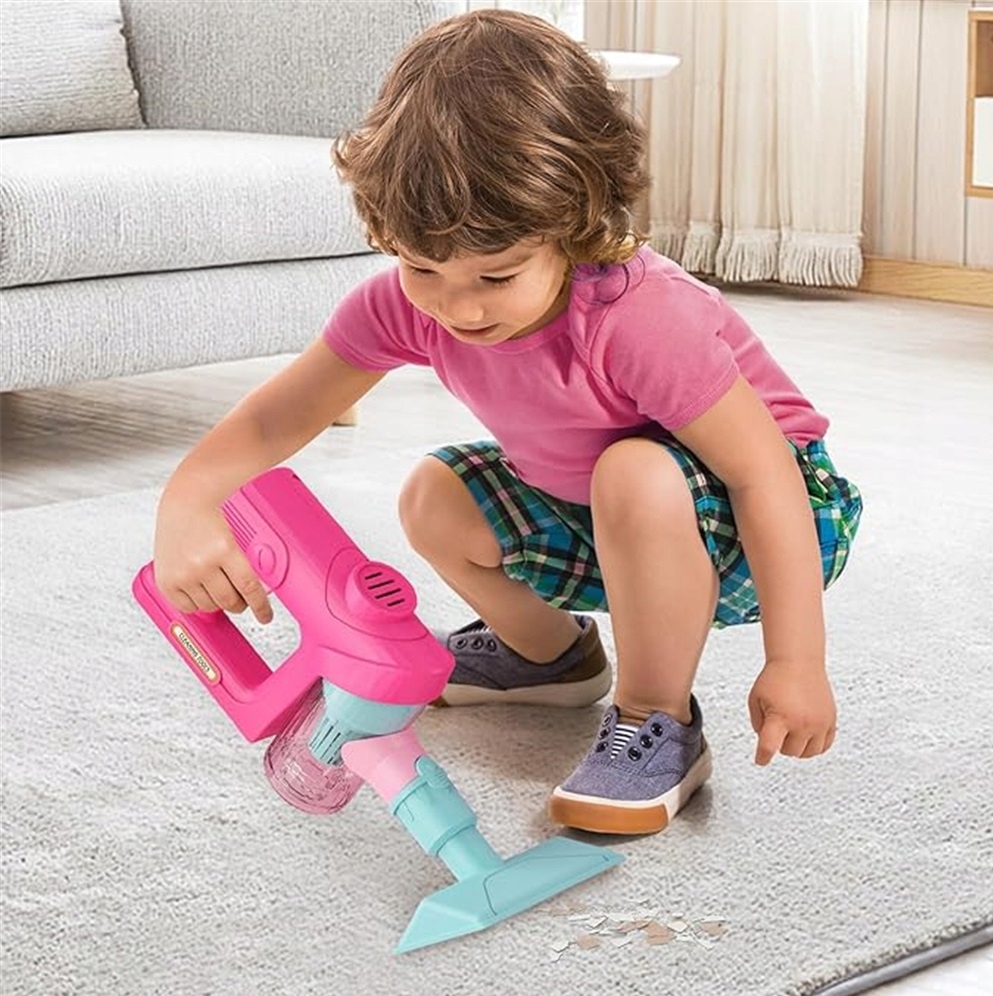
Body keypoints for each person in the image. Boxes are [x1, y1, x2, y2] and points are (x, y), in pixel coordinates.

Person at [152, 9, 863, 836]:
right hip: (597, 511)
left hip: (770, 520)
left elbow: (761, 472)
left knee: (633, 469)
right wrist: (186, 501)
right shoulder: (406, 305)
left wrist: (796, 660)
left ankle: (656, 717)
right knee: (436, 493)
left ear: (573, 227)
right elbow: (274, 421)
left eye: (497, 276)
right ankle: (549, 656)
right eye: (422, 268)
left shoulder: (638, 318)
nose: (459, 308)